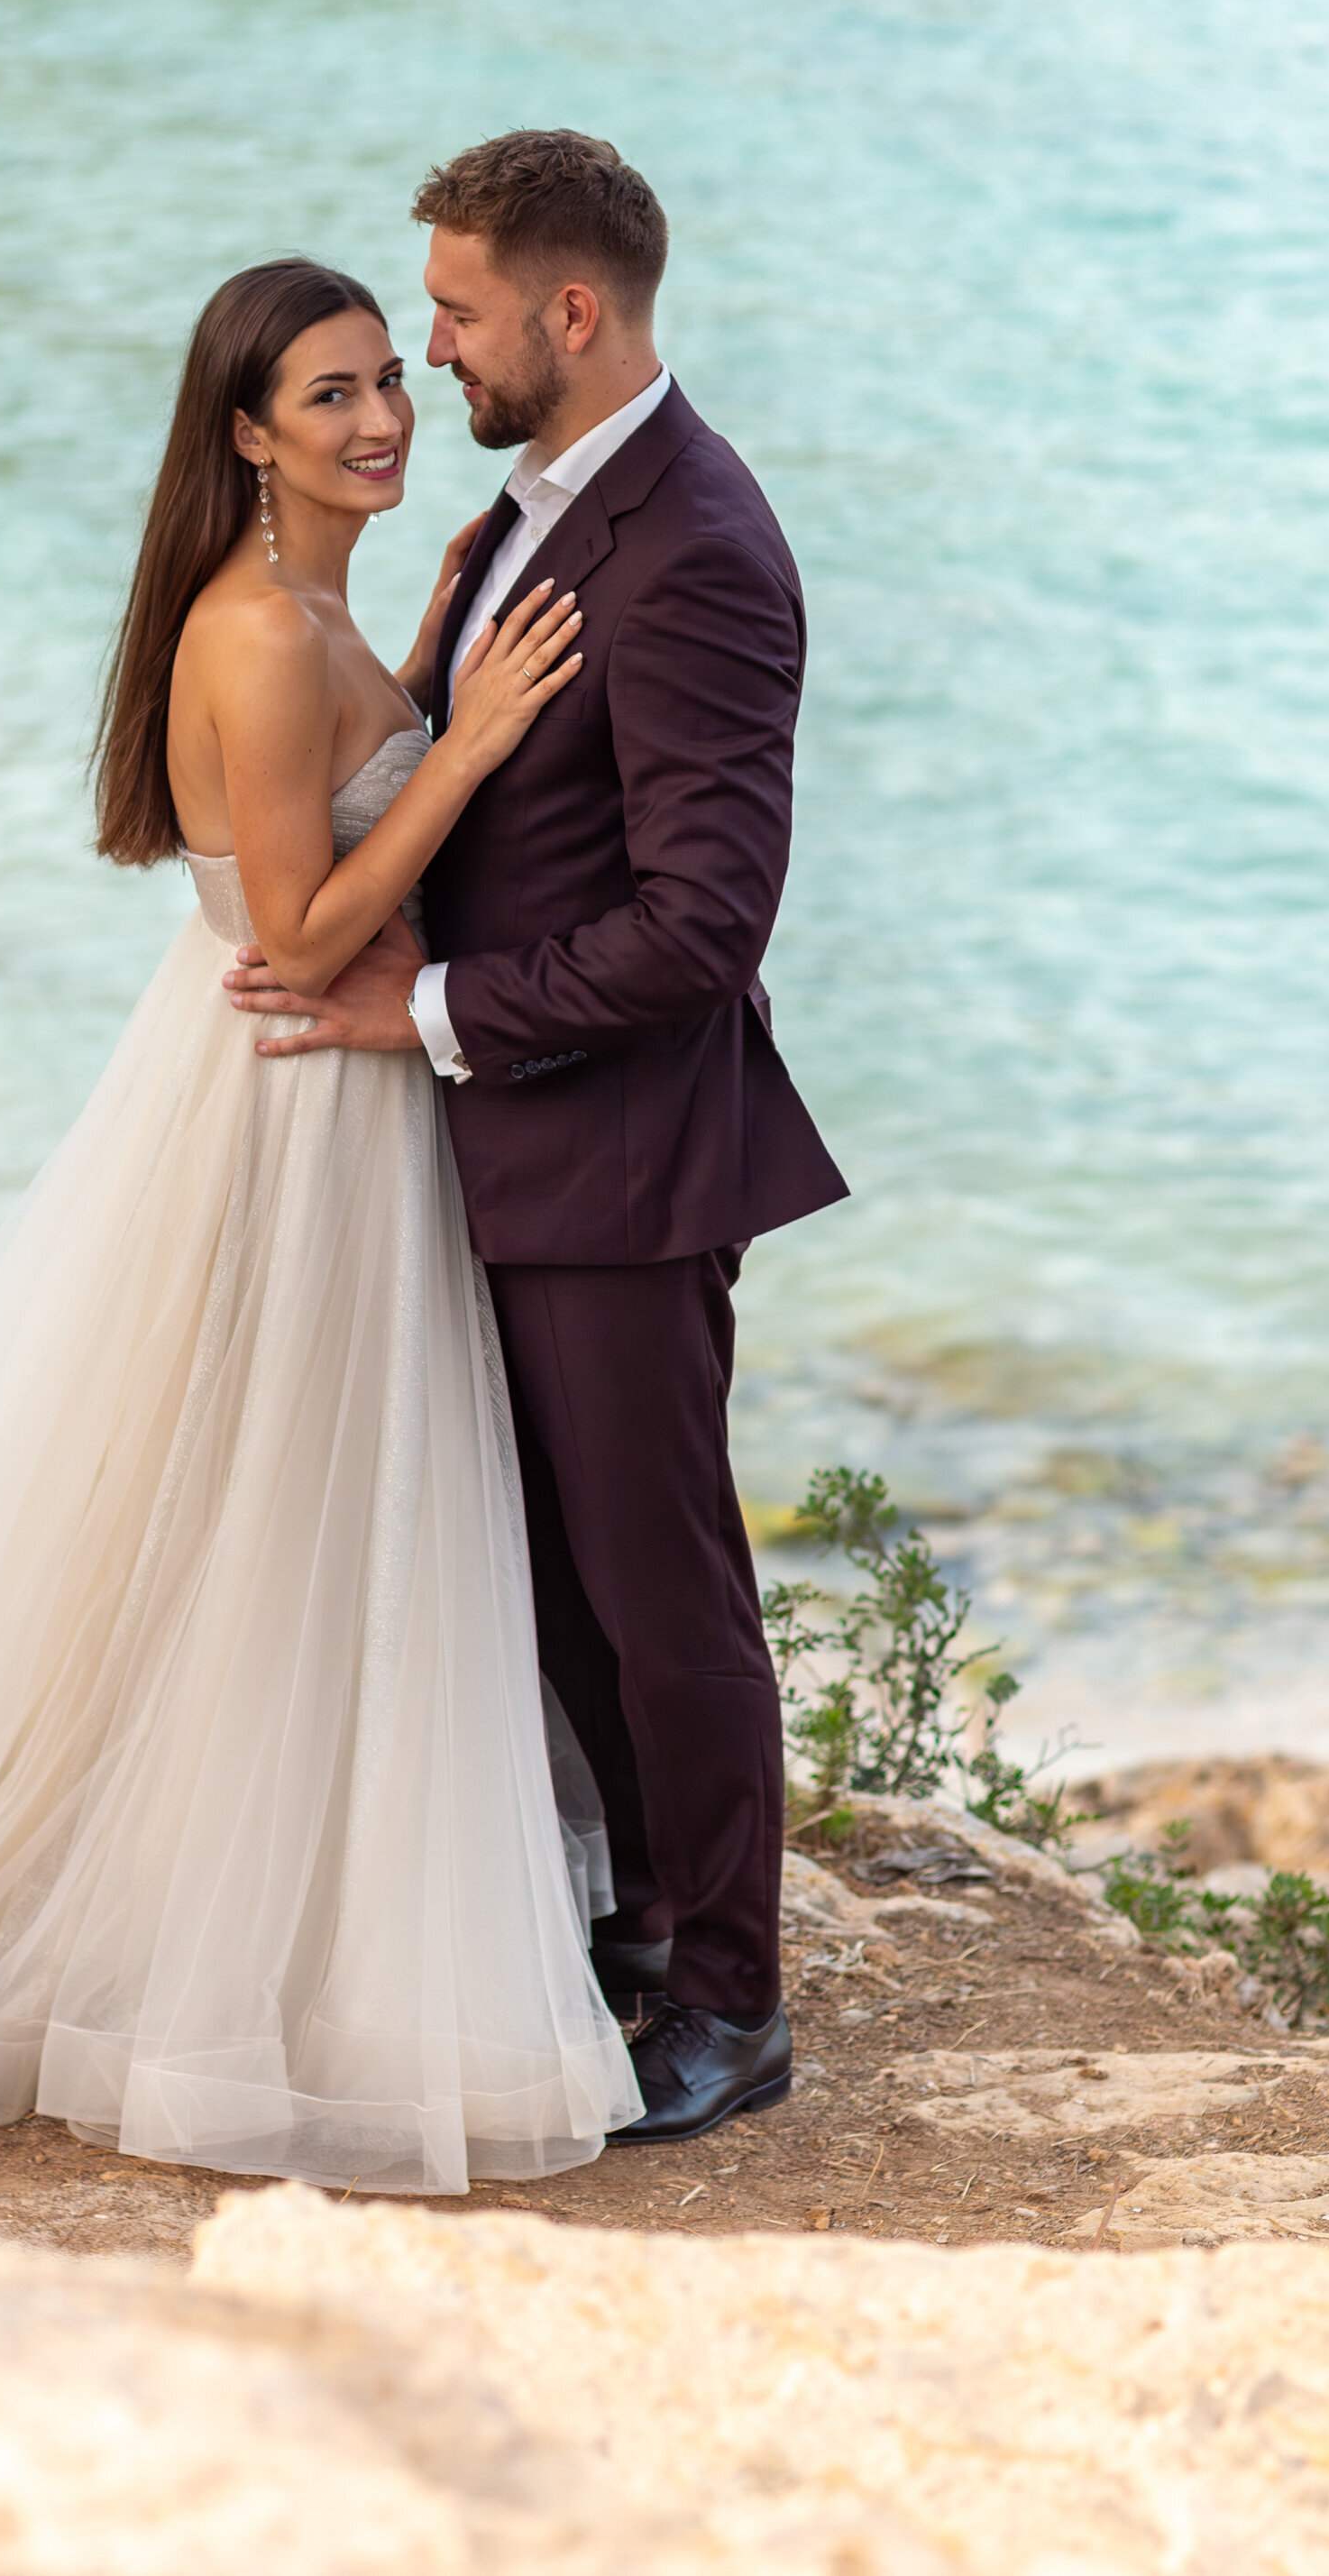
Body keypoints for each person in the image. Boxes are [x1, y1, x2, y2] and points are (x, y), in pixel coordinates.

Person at [0, 255, 641, 2193]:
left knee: (281, 1509)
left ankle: (294, 1875)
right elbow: (307, 930)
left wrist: (419, 676)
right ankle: (189, 1924)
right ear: (245, 432)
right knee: (253, 1504)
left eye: (391, 377)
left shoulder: (311, 603)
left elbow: (331, 805)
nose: (383, 415)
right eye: (329, 394)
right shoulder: (248, 628)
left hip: (329, 1089)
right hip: (287, 1098)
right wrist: (468, 743)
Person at [225, 135, 847, 2144]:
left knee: (662, 1587)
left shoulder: (700, 546)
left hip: (627, 1164)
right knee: (562, 1581)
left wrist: (414, 1010)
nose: (430, 356)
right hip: (502, 1153)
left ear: (570, 316)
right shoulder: (529, 512)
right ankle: (651, 1926)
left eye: (462, 316)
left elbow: (702, 923)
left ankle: (732, 2005)